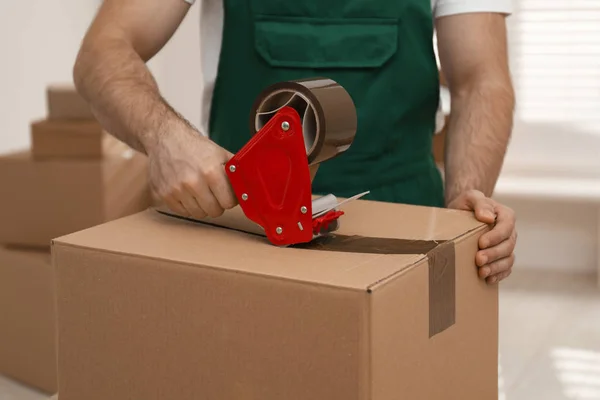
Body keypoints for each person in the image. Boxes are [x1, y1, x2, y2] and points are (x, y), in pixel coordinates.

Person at [73, 0, 517, 284]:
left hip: (410, 223)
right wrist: (164, 137)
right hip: (245, 225)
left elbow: (481, 81)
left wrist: (466, 198)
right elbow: (104, 50)